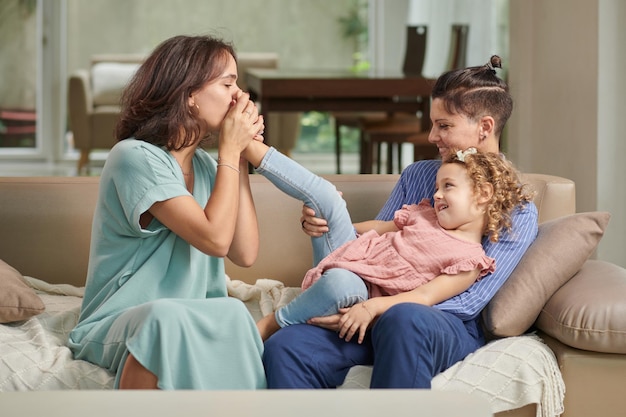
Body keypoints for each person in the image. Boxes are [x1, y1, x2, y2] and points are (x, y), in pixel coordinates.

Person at [262, 55, 540, 389]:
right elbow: (374, 252)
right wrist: (327, 227)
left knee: (403, 318)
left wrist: (377, 309)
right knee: (285, 347)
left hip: (438, 322)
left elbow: (469, 303)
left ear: (485, 127)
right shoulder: (419, 176)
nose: (431, 136)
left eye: (444, 125)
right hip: (374, 308)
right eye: (433, 123)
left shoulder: (518, 210)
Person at [67, 35, 267, 390]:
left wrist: (239, 157)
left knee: (236, 313)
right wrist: (229, 151)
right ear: (189, 95)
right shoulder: (135, 158)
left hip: (193, 314)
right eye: (227, 84)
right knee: (165, 319)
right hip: (120, 321)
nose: (239, 98)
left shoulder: (210, 168)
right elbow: (215, 239)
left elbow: (245, 253)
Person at [249, 145, 533, 344]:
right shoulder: (425, 213)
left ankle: (274, 322)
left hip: (361, 290)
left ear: (483, 194)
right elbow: (378, 228)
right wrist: (331, 224)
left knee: (339, 284)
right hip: (350, 256)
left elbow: (424, 297)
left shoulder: (469, 261)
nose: (436, 194)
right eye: (436, 187)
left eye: (448, 186)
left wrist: (373, 308)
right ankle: (253, 149)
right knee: (326, 195)